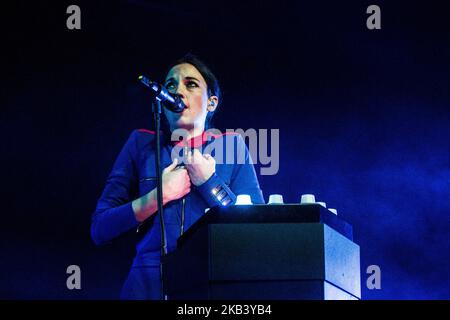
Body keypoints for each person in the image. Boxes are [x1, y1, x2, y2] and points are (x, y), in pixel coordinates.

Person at [91, 54, 264, 300]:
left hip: (210, 285)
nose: (177, 91)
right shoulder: (140, 144)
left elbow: (258, 235)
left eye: (190, 84)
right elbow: (100, 229)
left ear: (211, 103)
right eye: (170, 85)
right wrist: (158, 196)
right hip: (145, 287)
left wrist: (209, 183)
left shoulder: (232, 147)